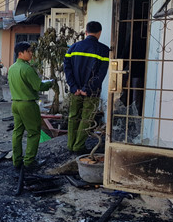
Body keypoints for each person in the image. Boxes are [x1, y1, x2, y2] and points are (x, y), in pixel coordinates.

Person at [63, 21, 109, 154]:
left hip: (75, 91)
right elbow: (101, 74)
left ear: (86, 32)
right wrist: (87, 89)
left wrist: (74, 87)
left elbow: (67, 69)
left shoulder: (73, 48)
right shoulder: (104, 50)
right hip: (91, 92)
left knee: (73, 116)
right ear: (99, 33)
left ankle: (71, 145)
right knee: (86, 118)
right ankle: (78, 146)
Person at [8, 42, 53, 171]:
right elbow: (39, 86)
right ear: (21, 53)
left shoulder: (12, 68)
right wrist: (50, 83)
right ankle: (29, 161)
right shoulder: (27, 68)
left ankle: (16, 160)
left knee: (17, 132)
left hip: (15, 103)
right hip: (28, 103)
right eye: (29, 51)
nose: (31, 54)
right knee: (33, 133)